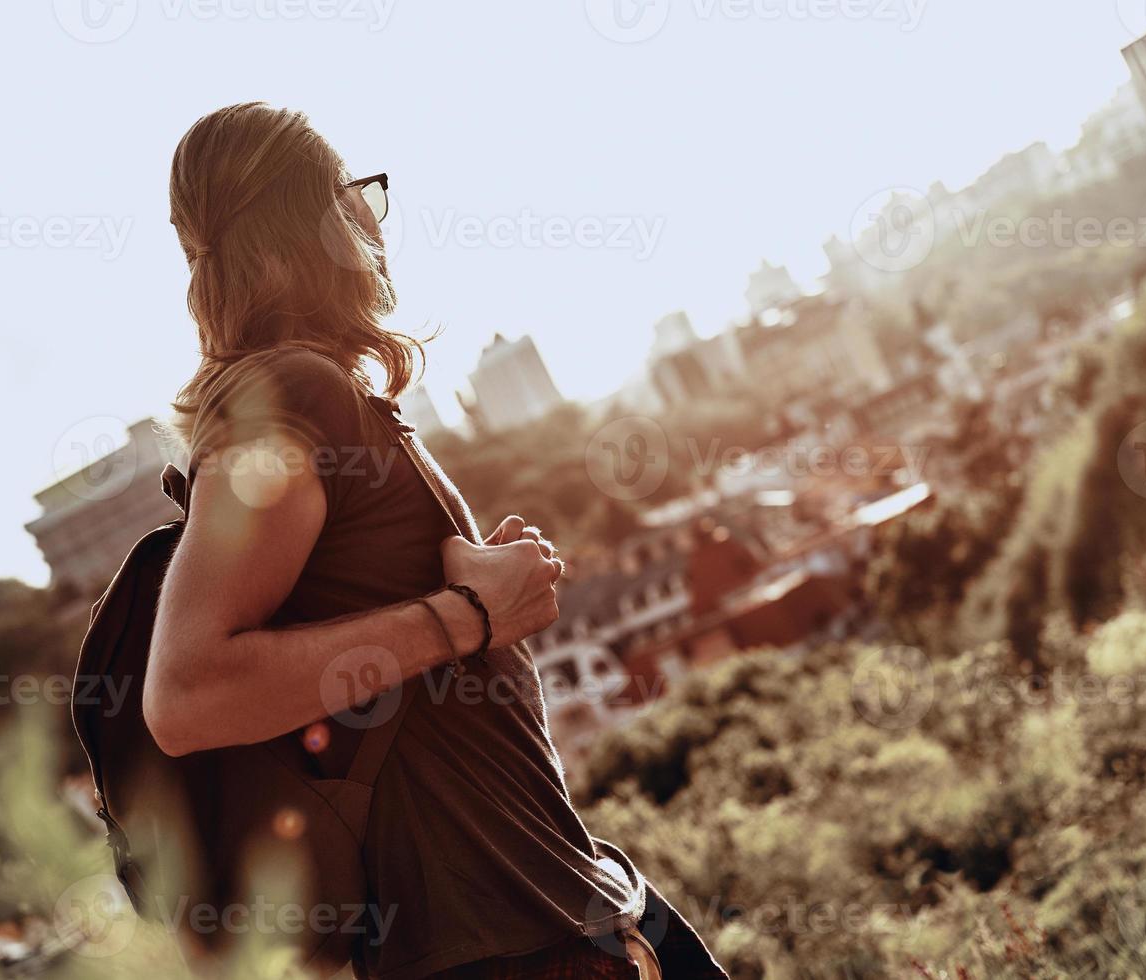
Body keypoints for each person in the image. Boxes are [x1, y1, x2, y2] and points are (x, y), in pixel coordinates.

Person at [143, 101, 726, 980]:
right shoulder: (293, 396)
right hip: (502, 941)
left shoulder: (317, 392)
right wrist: (462, 618)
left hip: (547, 905)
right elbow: (185, 694)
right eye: (355, 192)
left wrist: (467, 601)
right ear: (320, 219)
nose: (370, 217)